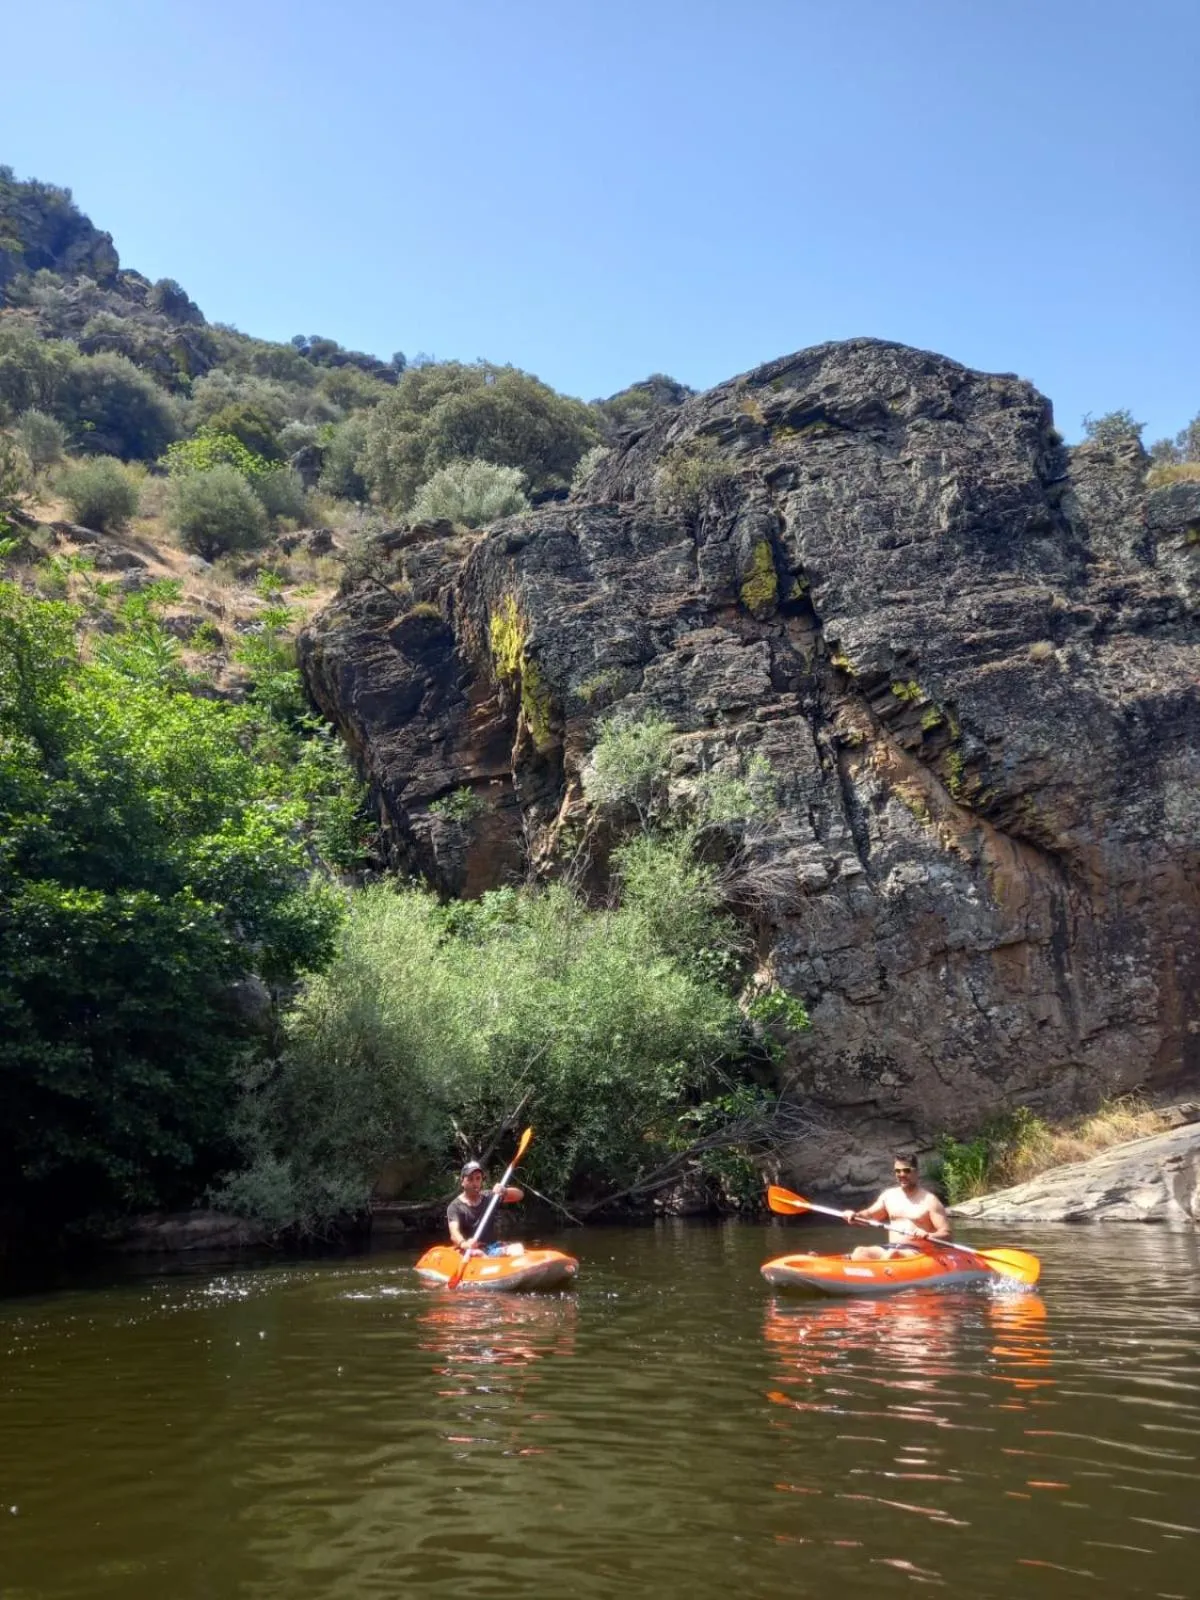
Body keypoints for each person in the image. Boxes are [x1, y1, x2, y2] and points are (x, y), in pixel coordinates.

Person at [842, 1154, 952, 1260]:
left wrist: (928, 1235)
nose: (902, 1174)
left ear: (916, 1172)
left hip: (918, 1251)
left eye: (906, 1170)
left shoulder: (930, 1200)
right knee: (859, 1252)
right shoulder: (889, 1196)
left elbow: (946, 1234)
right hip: (891, 1247)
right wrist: (855, 1215)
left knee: (893, 1254)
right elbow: (869, 1215)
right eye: (897, 1171)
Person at [446, 1160, 526, 1259]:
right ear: (462, 1181)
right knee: (478, 1254)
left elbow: (519, 1195)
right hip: (470, 1250)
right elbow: (454, 1233)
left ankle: (494, 1256)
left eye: (478, 1179)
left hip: (491, 1246)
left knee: (519, 1249)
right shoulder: (455, 1207)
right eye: (470, 1179)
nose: (475, 1183)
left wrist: (504, 1190)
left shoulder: (490, 1197)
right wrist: (464, 1244)